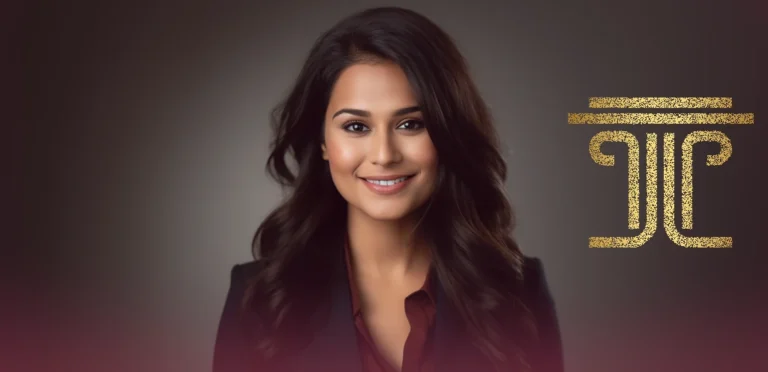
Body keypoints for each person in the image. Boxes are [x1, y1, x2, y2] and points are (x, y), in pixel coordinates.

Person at [213, 6, 563, 372]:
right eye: (356, 127)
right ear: (322, 141)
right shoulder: (258, 300)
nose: (384, 155)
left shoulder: (519, 293)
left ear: (447, 134)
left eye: (411, 124)